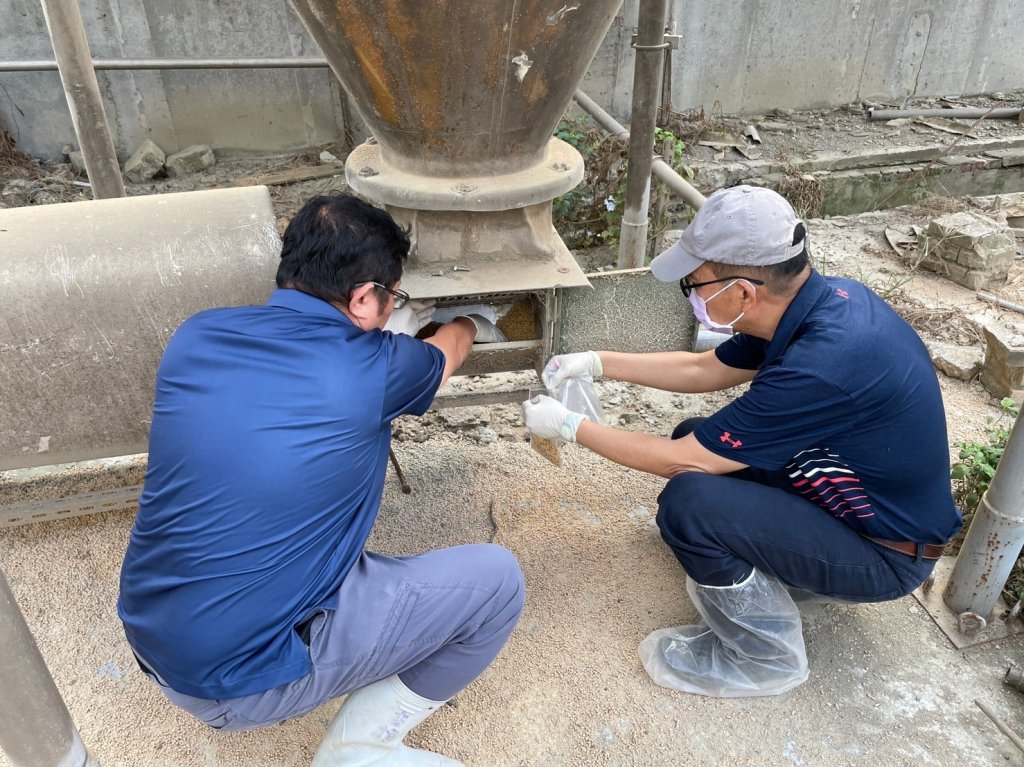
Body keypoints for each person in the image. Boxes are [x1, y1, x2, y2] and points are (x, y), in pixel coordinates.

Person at [118, 193, 524, 766]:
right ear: (364, 298)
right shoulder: (378, 370)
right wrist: (469, 318)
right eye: (391, 298)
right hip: (235, 686)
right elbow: (448, 349)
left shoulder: (196, 336)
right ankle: (359, 746)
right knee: (499, 581)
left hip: (153, 635)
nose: (390, 311)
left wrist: (380, 325)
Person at [522, 185, 961, 698]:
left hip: (884, 552)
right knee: (695, 437)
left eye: (695, 281)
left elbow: (680, 464)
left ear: (745, 291)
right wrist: (597, 361)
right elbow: (702, 365)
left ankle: (762, 656)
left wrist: (572, 428)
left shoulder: (823, 366)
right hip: (847, 503)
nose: (689, 290)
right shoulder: (819, 303)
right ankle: (765, 564)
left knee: (691, 502)